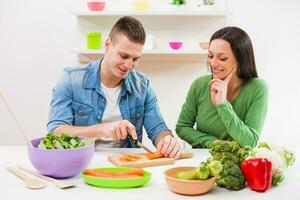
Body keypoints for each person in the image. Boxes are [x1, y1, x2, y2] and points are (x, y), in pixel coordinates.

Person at [47, 16, 181, 158]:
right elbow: (55, 131)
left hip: (125, 164)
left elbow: (157, 128)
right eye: (124, 56)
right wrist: (104, 129)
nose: (129, 65)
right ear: (107, 44)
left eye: (135, 59)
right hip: (80, 162)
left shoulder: (143, 86)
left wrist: (166, 140)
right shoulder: (71, 79)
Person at [176, 26, 268, 148]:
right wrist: (213, 143)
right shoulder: (199, 85)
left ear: (241, 60)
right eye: (210, 56)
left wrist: (222, 105)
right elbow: (182, 127)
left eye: (222, 58)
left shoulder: (257, 88)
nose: (213, 63)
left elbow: (250, 142)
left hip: (238, 163)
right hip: (202, 160)